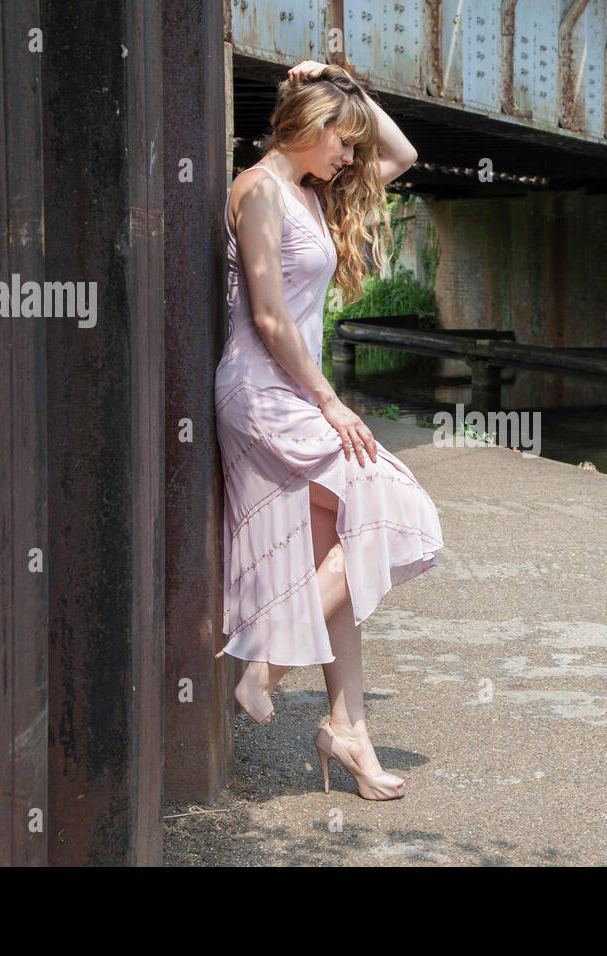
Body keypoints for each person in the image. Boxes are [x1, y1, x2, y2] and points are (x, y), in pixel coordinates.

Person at [214, 60, 443, 800]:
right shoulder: (258, 191)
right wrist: (332, 402)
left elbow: (402, 155)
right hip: (265, 392)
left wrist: (351, 86)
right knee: (395, 508)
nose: (350, 155)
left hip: (295, 393)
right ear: (311, 129)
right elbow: (269, 316)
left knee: (343, 552)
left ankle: (348, 731)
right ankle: (268, 665)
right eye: (342, 140)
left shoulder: (315, 189)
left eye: (351, 143)